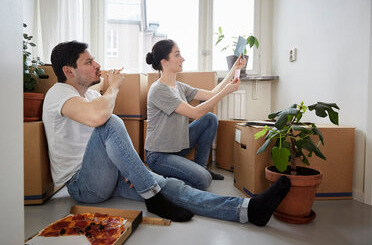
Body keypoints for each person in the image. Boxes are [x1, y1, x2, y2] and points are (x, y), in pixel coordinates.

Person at [43, 40, 291, 227]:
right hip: (81, 185)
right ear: (68, 71)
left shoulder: (94, 96)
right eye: (88, 62)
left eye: (94, 60)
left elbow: (105, 143)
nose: (97, 65)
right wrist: (115, 85)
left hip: (105, 175)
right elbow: (100, 120)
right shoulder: (58, 94)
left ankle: (247, 210)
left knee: (172, 187)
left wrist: (129, 171)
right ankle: (153, 195)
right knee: (111, 122)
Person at [145, 39, 245, 190]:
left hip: (177, 147)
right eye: (177, 55)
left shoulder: (178, 86)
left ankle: (200, 168)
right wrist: (226, 91)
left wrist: (234, 69)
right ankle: (167, 180)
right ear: (164, 62)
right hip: (159, 156)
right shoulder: (159, 89)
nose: (182, 59)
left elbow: (212, 93)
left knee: (210, 118)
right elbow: (195, 113)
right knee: (203, 181)